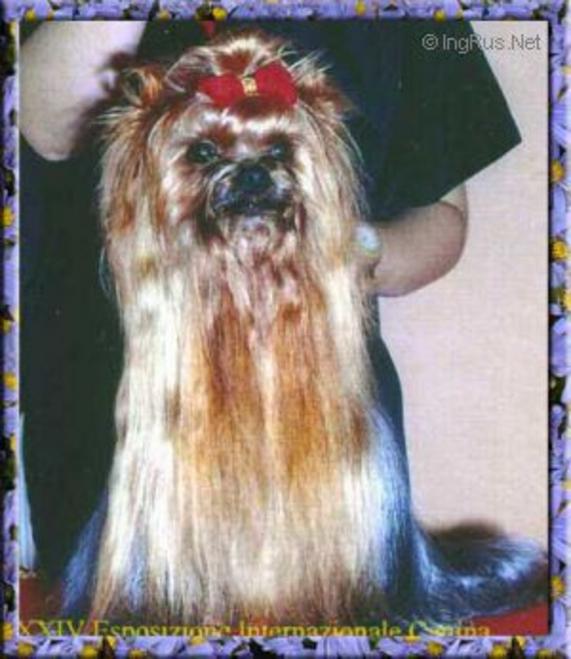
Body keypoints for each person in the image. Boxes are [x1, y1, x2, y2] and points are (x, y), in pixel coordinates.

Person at [19, 20, 520, 589]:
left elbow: (442, 218)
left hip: (326, 446)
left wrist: (348, 249)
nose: (251, 172)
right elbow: (39, 122)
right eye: (205, 154)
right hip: (119, 437)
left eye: (277, 152)